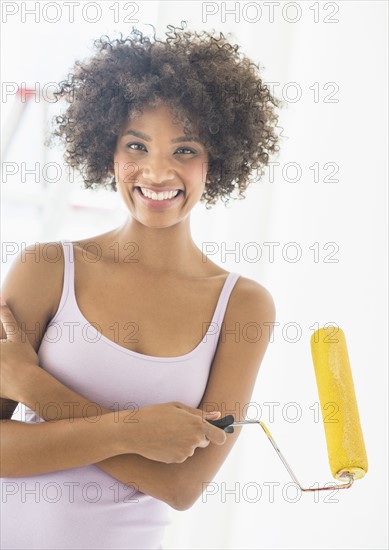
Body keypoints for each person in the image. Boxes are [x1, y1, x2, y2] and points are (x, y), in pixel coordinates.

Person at [0, 23, 280, 550]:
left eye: (185, 149)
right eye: (136, 145)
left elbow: (182, 484)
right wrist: (134, 433)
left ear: (216, 162)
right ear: (108, 152)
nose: (156, 171)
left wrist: (34, 388)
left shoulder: (243, 307)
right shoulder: (46, 270)